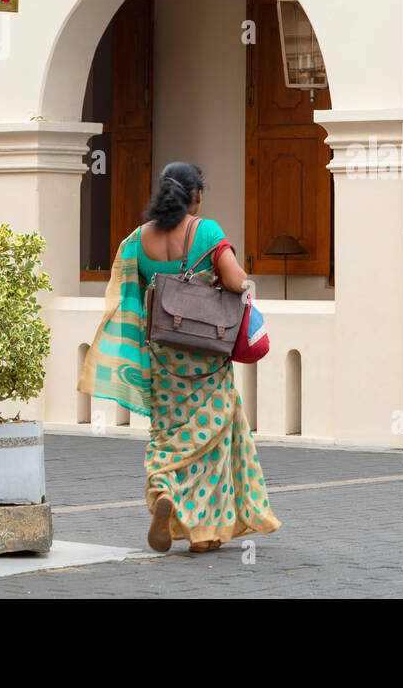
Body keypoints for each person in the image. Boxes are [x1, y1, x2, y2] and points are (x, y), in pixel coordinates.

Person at [79, 161, 280, 553]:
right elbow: (237, 281)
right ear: (197, 196)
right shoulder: (206, 231)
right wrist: (245, 291)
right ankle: (204, 534)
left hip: (163, 359)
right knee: (211, 439)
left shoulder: (137, 241)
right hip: (206, 357)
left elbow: (129, 298)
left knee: (167, 434)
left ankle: (164, 489)